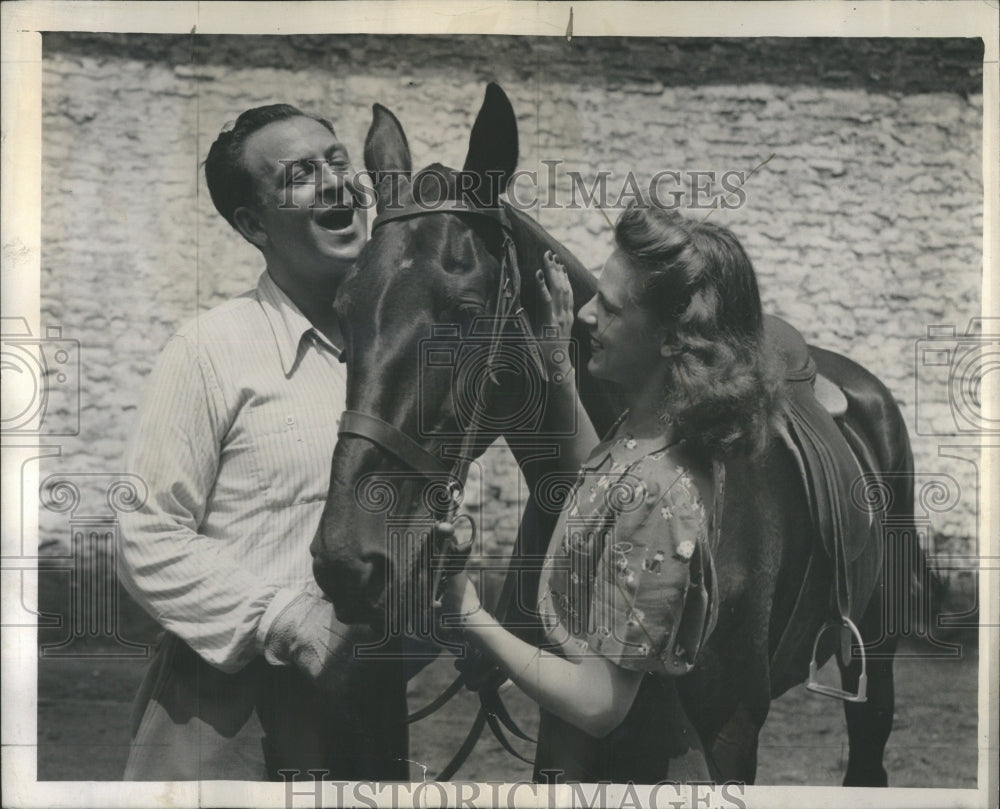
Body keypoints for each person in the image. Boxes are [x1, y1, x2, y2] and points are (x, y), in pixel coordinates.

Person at [439, 202, 781, 783]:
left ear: (673, 340)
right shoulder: (650, 434)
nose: (587, 315)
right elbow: (597, 487)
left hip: (627, 770)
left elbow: (600, 704)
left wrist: (468, 612)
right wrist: (556, 367)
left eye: (612, 307)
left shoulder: (664, 492)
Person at [118, 104, 410, 780]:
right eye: (300, 176)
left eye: (338, 160)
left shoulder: (392, 360)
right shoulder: (210, 350)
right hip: (224, 719)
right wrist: (283, 617)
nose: (336, 183)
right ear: (253, 225)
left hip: (365, 715)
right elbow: (143, 532)